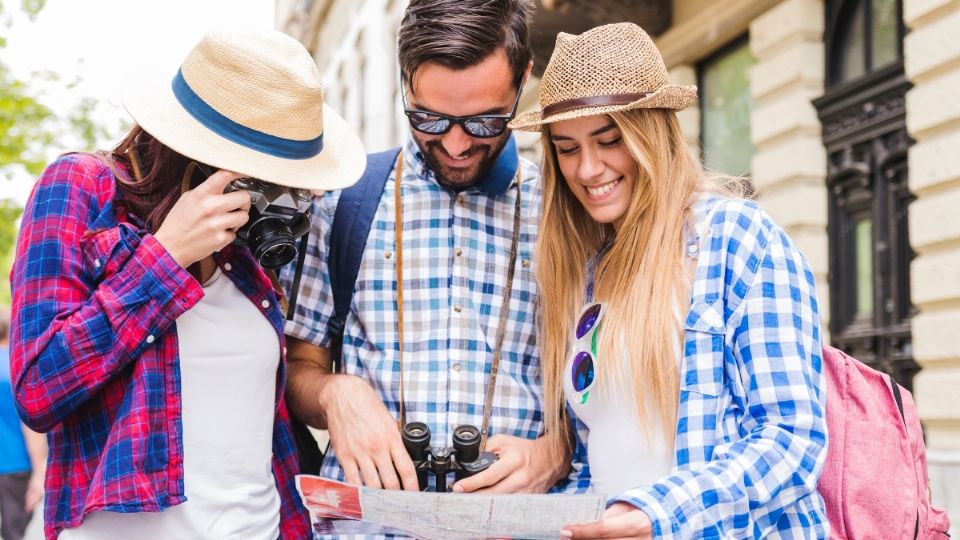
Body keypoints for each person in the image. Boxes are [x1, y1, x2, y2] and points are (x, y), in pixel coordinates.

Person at [8, 29, 365, 540]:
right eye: (264, 175)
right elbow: (38, 389)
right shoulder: (83, 188)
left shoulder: (249, 244)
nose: (279, 193)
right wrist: (165, 258)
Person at [509, 22, 828, 539]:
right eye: (566, 148)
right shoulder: (589, 273)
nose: (588, 169)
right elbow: (608, 456)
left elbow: (791, 439)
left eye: (609, 140)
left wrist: (659, 513)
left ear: (650, 133)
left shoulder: (737, 238)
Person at [284, 0, 583, 497]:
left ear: (524, 78)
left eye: (486, 122)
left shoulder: (565, 210)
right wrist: (336, 393)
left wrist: (558, 451)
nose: (458, 144)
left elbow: (611, 390)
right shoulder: (343, 201)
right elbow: (298, 370)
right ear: (405, 81)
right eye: (430, 119)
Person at [1, 308, 46, 540]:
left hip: (9, 466)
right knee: (13, 534)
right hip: (14, 466)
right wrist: (40, 473)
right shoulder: (15, 368)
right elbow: (29, 424)